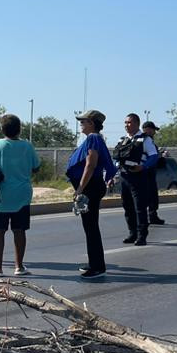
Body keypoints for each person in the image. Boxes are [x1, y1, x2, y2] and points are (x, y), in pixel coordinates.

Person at [0, 114, 40, 277]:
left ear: (2, 129)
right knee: (19, 231)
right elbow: (36, 167)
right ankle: (19, 267)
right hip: (22, 195)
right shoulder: (27, 146)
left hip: (0, 196)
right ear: (19, 129)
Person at [65, 110, 116, 279]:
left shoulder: (93, 138)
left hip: (90, 188)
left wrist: (79, 189)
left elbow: (90, 165)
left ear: (92, 123)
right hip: (91, 187)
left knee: (91, 227)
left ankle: (97, 267)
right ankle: (94, 262)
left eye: (83, 121)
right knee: (89, 227)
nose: (81, 124)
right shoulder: (92, 139)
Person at [112, 113, 158, 245]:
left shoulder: (145, 139)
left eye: (129, 122)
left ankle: (142, 235)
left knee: (140, 207)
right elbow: (116, 159)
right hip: (125, 177)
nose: (127, 125)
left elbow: (153, 156)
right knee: (127, 207)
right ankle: (132, 233)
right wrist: (114, 171)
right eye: (125, 123)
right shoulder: (123, 140)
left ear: (137, 124)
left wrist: (143, 167)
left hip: (138, 176)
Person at [141, 120, 166, 226]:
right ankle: (150, 217)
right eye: (153, 130)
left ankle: (151, 216)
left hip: (147, 172)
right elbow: (150, 157)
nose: (154, 132)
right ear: (148, 130)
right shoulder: (146, 141)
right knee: (150, 197)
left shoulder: (143, 140)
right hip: (147, 172)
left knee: (150, 197)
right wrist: (160, 156)